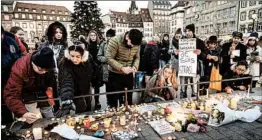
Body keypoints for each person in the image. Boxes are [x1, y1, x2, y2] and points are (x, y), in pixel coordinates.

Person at [4, 47, 57, 124]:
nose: (44, 72)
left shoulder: (48, 67)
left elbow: (52, 83)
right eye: (41, 69)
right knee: (35, 120)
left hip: (44, 94)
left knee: (50, 118)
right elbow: (11, 94)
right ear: (33, 63)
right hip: (28, 95)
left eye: (47, 70)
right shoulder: (20, 68)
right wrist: (23, 112)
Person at [55, 43, 95, 117]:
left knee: (89, 106)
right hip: (75, 92)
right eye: (72, 56)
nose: (74, 59)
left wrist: (96, 81)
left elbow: (92, 72)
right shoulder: (65, 64)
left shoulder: (86, 62)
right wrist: (67, 100)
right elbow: (66, 82)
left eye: (78, 56)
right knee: (81, 108)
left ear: (82, 56)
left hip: (86, 89)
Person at [106, 29, 143, 108]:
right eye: (132, 43)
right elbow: (109, 58)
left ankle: (127, 115)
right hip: (115, 75)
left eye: (135, 45)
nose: (133, 46)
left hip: (128, 75)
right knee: (114, 100)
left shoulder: (136, 44)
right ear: (127, 37)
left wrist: (135, 67)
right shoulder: (114, 41)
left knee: (128, 99)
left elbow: (137, 58)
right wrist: (121, 68)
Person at [1, 26, 24, 124]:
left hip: (12, 77)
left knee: (12, 101)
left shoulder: (11, 41)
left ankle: (16, 123)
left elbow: (18, 57)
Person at [180, 24, 207, 98]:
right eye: (186, 31)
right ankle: (183, 99)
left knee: (195, 87)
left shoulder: (199, 42)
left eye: (189, 31)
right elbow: (178, 55)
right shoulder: (182, 41)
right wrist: (177, 53)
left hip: (195, 67)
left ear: (193, 31)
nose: (187, 33)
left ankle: (195, 98)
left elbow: (205, 55)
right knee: (183, 87)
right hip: (185, 67)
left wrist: (200, 53)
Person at [86, 30, 103, 110]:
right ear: (89, 36)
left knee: (97, 86)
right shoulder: (87, 45)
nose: (93, 37)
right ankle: (88, 101)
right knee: (87, 86)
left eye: (94, 35)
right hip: (89, 68)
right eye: (91, 35)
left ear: (96, 36)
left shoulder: (99, 45)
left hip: (97, 68)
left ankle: (97, 101)